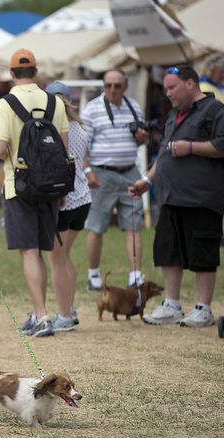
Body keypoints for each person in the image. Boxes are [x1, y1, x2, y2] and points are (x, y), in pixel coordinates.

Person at [129, 65, 224, 327]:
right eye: (166, 88)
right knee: (168, 251)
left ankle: (203, 308)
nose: (167, 93)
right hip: (170, 196)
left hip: (202, 197)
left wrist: (190, 147)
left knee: (202, 253)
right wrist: (147, 180)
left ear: (190, 84)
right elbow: (167, 153)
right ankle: (172, 304)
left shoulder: (217, 112)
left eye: (172, 87)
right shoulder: (175, 114)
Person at [0, 49, 69, 337]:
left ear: (12, 73)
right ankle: (41, 311)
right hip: (51, 186)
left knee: (29, 252)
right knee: (41, 250)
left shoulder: (5, 103)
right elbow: (63, 145)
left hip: (19, 185)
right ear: (35, 72)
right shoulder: (54, 101)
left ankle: (41, 315)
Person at [81, 69, 147, 291]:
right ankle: (93, 275)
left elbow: (140, 141)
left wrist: (141, 137)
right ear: (103, 85)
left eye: (117, 85)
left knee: (134, 225)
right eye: (108, 85)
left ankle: (135, 275)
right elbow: (81, 147)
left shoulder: (134, 107)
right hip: (102, 173)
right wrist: (88, 171)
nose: (112, 89)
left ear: (125, 86)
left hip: (130, 172)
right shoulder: (92, 110)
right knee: (96, 226)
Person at [44, 81, 92, 331]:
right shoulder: (81, 127)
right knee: (64, 257)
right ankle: (68, 308)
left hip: (65, 200)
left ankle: (63, 314)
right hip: (83, 199)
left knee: (56, 260)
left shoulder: (53, 129)